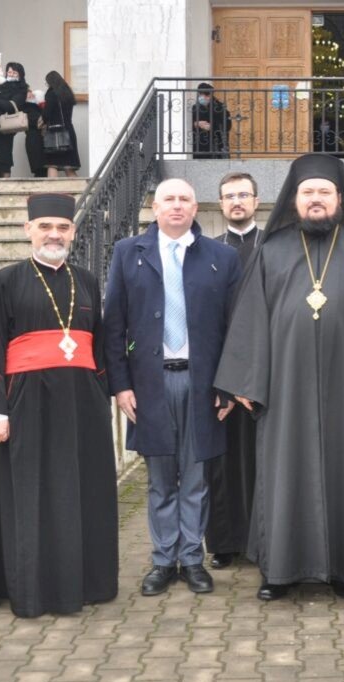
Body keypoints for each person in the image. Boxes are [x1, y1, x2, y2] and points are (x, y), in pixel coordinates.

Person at [214, 153, 344, 601]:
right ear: (295, 200)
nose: (317, 200)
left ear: (339, 199)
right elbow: (249, 317)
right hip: (285, 388)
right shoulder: (272, 249)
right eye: (309, 193)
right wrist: (245, 381)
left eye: (325, 192)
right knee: (284, 473)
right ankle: (280, 571)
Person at [0, 193, 118, 617]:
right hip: (26, 402)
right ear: (28, 230)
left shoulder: (88, 280)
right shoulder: (6, 280)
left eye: (62, 227)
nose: (54, 234)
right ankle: (36, 591)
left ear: (73, 231)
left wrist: (110, 391)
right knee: (34, 494)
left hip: (82, 404)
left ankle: (89, 583)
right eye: (45, 227)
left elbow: (100, 343)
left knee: (85, 490)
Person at [104, 179, 240, 596]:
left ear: (196, 207)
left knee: (196, 478)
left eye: (184, 199)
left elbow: (235, 328)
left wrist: (229, 387)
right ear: (155, 206)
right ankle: (164, 561)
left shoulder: (223, 257)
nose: (177, 206)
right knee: (160, 478)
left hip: (203, 385)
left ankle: (193, 560)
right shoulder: (129, 253)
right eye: (169, 200)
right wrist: (121, 385)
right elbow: (114, 324)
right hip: (151, 384)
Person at [206, 172, 262, 569]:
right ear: (221, 204)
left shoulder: (274, 247)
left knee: (263, 461)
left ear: (257, 201)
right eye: (230, 196)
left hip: (265, 372)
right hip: (222, 373)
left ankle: (263, 540)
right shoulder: (208, 251)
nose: (237, 201)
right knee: (222, 463)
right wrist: (221, 381)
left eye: (244, 195)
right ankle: (225, 544)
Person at [42, 71, 80, 177]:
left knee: (52, 165)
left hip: (55, 134)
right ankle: (79, 193)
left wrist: (42, 120)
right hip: (69, 131)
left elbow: (47, 114)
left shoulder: (51, 93)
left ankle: (52, 192)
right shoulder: (67, 92)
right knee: (69, 167)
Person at [191, 82, 231, 159]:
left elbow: (227, 125)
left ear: (211, 95)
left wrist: (212, 126)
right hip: (199, 144)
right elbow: (188, 124)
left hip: (216, 143)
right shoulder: (195, 108)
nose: (204, 97)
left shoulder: (219, 107)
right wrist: (197, 124)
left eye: (206, 95)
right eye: (201, 95)